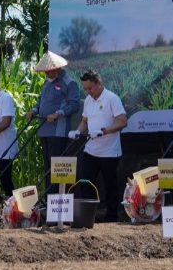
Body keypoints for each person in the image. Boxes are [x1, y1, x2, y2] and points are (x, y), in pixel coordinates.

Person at [69, 70, 128, 222]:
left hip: (109, 152)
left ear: (99, 84)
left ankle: (111, 217)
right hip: (91, 150)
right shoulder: (88, 100)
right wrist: (77, 131)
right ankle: (89, 216)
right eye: (86, 89)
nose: (88, 92)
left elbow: (122, 121)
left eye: (90, 88)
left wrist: (104, 132)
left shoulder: (112, 98)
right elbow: (84, 121)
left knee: (110, 185)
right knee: (86, 183)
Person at [26, 51, 81, 192]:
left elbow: (74, 104)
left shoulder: (69, 83)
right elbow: (41, 101)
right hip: (44, 129)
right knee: (47, 166)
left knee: (56, 166)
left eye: (48, 71)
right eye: (45, 71)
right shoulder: (47, 82)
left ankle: (57, 198)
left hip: (59, 131)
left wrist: (58, 114)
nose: (46, 74)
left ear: (57, 69)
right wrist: (33, 111)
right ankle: (48, 198)